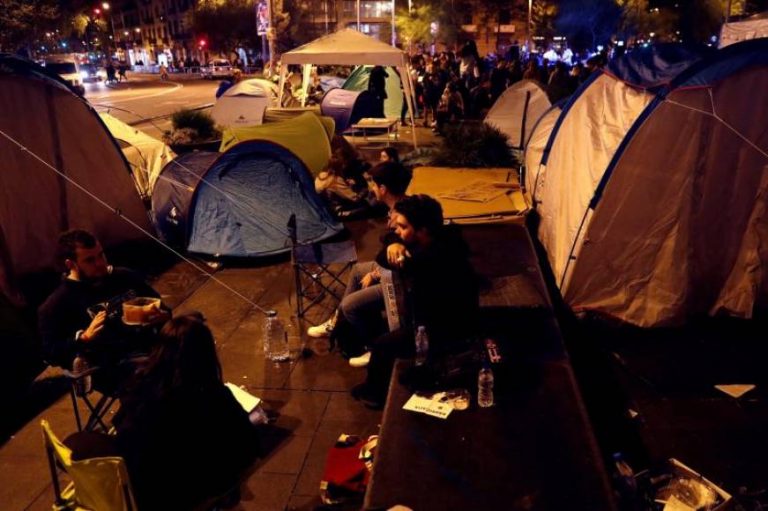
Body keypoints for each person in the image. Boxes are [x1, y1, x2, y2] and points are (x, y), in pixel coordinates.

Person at [63, 314, 260, 510]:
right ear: (205, 355)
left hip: (136, 486)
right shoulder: (209, 393)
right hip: (174, 494)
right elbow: (247, 444)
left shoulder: (139, 381)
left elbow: (123, 428)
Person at [351, 195, 479, 408]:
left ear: (423, 230)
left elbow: (383, 258)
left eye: (403, 227)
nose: (397, 230)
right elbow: (388, 237)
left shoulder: (425, 259)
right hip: (437, 319)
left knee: (383, 346)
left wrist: (394, 245)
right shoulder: (444, 237)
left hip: (446, 328)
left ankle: (374, 396)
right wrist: (396, 241)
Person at [308, 161, 413, 367]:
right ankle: (337, 321)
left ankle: (374, 347)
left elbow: (403, 253)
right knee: (357, 270)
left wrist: (376, 272)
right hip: (388, 269)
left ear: (383, 189)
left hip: (401, 279)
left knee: (351, 304)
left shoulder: (405, 212)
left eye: (374, 185)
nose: (372, 189)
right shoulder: (395, 207)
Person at [38, 230, 168, 389]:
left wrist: (163, 316)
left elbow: (163, 308)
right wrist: (84, 338)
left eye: (101, 255)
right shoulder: (57, 304)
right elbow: (51, 353)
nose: (100, 263)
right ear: (70, 265)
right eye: (90, 260)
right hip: (111, 365)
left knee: (191, 325)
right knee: (160, 372)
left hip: (150, 345)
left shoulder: (124, 277)